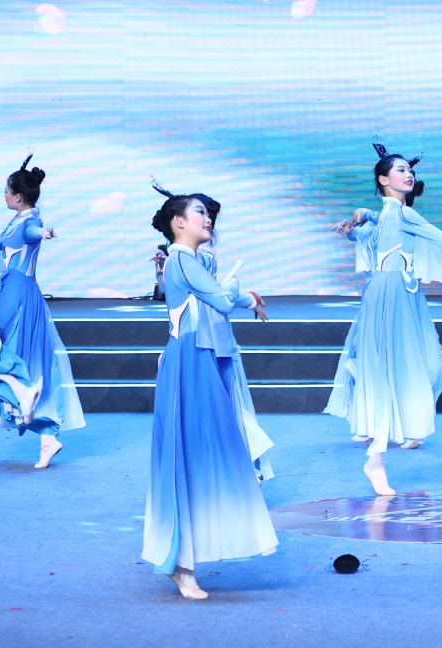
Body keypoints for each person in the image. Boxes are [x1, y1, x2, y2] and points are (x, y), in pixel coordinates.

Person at [142, 192, 276, 599]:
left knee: (201, 452)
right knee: (192, 454)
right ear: (178, 222)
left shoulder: (188, 260)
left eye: (208, 213)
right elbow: (220, 300)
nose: (208, 218)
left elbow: (217, 299)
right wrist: (239, 291)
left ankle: (181, 559)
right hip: (191, 360)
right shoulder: (182, 259)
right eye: (199, 212)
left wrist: (241, 295)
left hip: (198, 357)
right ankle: (180, 563)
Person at [327, 144, 442, 496]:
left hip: (397, 291)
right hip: (393, 293)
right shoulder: (401, 215)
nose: (409, 174)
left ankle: (387, 442)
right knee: (395, 369)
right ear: (383, 180)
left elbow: (372, 226)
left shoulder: (389, 215)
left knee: (408, 367)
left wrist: (359, 218)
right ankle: (376, 456)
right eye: (400, 170)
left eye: (409, 170)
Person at [0, 155, 85, 468]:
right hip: (13, 291)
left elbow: (33, 233)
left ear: (18, 196)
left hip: (16, 294)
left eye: (6, 191)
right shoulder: (16, 221)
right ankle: (47, 438)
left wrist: (44, 234)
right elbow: (9, 249)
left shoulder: (31, 222)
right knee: (20, 357)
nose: (4, 195)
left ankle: (22, 390)